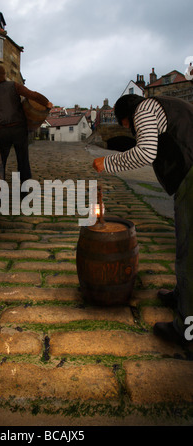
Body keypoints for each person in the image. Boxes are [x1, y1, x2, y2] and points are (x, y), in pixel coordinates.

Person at [93, 93, 193, 345]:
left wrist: (107, 162)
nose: (129, 129)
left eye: (126, 125)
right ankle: (181, 297)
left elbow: (146, 152)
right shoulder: (166, 106)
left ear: (126, 116)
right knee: (185, 244)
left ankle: (185, 328)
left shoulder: (145, 109)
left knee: (189, 253)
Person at [0, 65, 53, 190]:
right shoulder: (13, 86)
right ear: (4, 74)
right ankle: (23, 193)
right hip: (18, 129)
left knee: (0, 163)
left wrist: (0, 122)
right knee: (22, 161)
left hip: (1, 130)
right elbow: (32, 95)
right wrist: (46, 102)